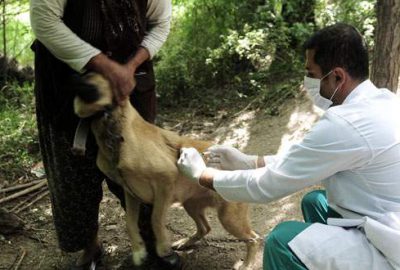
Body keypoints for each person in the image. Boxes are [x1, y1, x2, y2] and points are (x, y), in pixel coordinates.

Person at [177, 23, 400, 270]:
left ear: (337, 76)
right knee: (315, 201)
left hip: (389, 245)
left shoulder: (346, 124)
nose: (308, 83)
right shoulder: (383, 101)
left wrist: (202, 175)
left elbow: (267, 186)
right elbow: (308, 158)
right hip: (384, 213)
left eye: (312, 75)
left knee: (283, 240)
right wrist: (248, 160)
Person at [30, 0, 172, 269]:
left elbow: (160, 24)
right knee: (73, 174)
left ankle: (152, 243)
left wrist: (129, 67)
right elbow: (44, 21)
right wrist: (105, 67)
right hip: (67, 83)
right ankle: (90, 247)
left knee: (139, 165)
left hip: (130, 82)